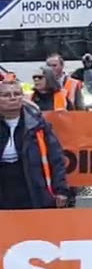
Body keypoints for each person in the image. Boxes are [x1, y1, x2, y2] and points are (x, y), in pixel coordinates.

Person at [0, 79, 71, 210]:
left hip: (33, 191)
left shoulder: (38, 126)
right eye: (6, 95)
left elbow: (56, 159)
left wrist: (61, 190)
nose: (12, 98)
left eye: (16, 94)